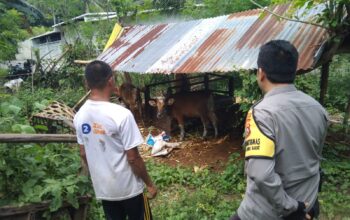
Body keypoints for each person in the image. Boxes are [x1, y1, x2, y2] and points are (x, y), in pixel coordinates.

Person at [231, 40, 328, 220]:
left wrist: (292, 207)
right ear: (294, 72)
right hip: (308, 204)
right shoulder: (318, 109)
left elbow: (260, 174)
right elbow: (315, 159)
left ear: (261, 73)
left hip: (269, 212)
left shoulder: (261, 113)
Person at [74, 60, 157, 220]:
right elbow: (133, 158)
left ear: (87, 83)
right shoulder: (121, 114)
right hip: (130, 189)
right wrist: (149, 184)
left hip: (105, 190)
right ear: (111, 81)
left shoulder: (80, 116)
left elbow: (83, 153)